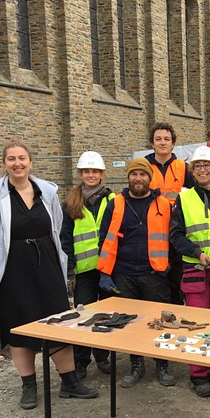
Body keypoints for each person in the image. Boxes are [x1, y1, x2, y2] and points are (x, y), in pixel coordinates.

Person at [0, 140, 98, 410]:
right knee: (18, 328)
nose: (17, 163)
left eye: (22, 158)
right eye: (11, 159)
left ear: (30, 161)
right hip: (12, 271)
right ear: (4, 164)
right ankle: (28, 385)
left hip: (47, 265)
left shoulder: (47, 191)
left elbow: (57, 226)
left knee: (58, 322)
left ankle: (69, 382)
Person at [97, 157, 176, 388]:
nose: (138, 178)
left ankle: (162, 363)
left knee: (160, 320)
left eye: (142, 175)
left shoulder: (163, 204)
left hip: (155, 273)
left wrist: (169, 270)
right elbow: (105, 239)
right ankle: (136, 365)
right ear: (128, 177)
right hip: (124, 273)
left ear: (149, 178)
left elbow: (173, 237)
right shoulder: (116, 203)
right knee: (130, 323)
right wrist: (104, 272)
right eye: (134, 174)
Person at [169, 145, 210, 398]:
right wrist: (198, 253)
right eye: (197, 166)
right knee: (196, 323)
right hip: (195, 268)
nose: (202, 169)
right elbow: (175, 235)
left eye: (207, 165)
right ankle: (199, 374)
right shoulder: (183, 198)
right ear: (193, 171)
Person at [60, 151, 115, 379]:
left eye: (94, 171)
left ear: (102, 174)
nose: (90, 175)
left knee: (105, 315)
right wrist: (70, 270)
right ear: (81, 174)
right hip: (84, 272)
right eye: (86, 171)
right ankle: (81, 361)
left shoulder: (113, 200)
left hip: (107, 269)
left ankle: (102, 357)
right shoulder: (71, 202)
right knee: (83, 317)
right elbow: (65, 239)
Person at [145, 122, 195, 305]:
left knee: (176, 280)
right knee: (156, 281)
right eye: (158, 139)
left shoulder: (183, 168)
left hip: (177, 231)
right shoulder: (145, 168)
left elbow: (195, 196)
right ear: (152, 143)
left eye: (167, 139)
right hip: (152, 232)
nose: (162, 143)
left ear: (173, 143)